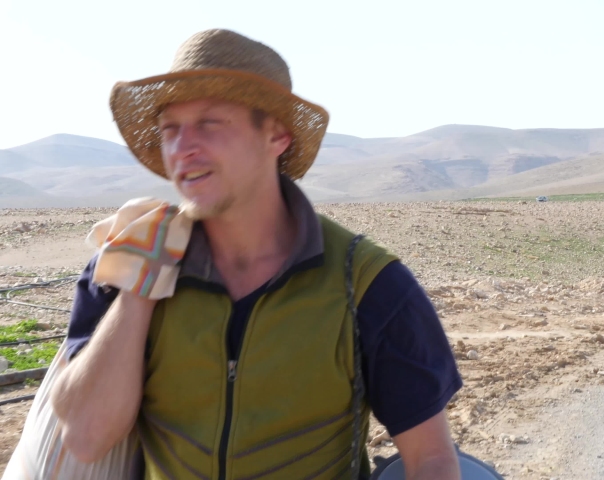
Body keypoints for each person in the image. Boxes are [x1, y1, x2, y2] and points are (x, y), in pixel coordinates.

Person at [49, 29, 463, 480]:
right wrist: (140, 287)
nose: (182, 147)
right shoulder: (126, 259)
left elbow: (431, 460)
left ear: (277, 136)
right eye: (170, 128)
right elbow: (86, 437)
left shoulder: (364, 282)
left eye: (210, 123)